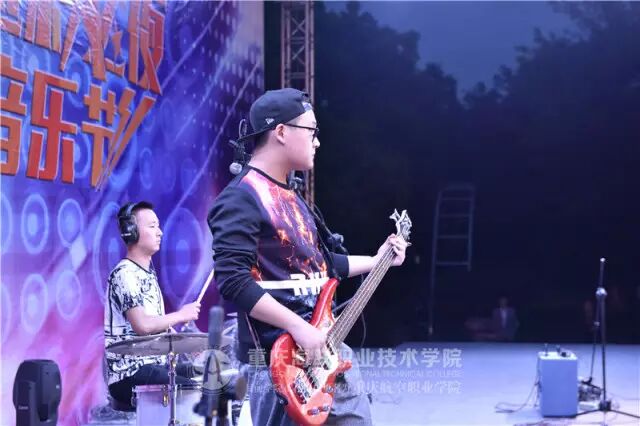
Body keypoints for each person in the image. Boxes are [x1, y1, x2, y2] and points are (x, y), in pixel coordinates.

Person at [207, 88, 408, 425]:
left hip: (328, 349)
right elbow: (233, 280)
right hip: (278, 362)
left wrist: (378, 260)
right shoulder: (241, 198)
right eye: (311, 130)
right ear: (281, 132)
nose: (317, 141)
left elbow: (322, 265)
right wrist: (299, 327)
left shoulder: (294, 197)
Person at [104, 201, 201, 407]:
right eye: (152, 226)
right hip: (129, 372)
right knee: (193, 390)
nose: (160, 232)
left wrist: (189, 345)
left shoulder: (147, 274)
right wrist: (182, 315)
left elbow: (156, 328)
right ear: (132, 232)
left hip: (153, 365)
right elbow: (143, 325)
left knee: (206, 375)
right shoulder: (125, 273)